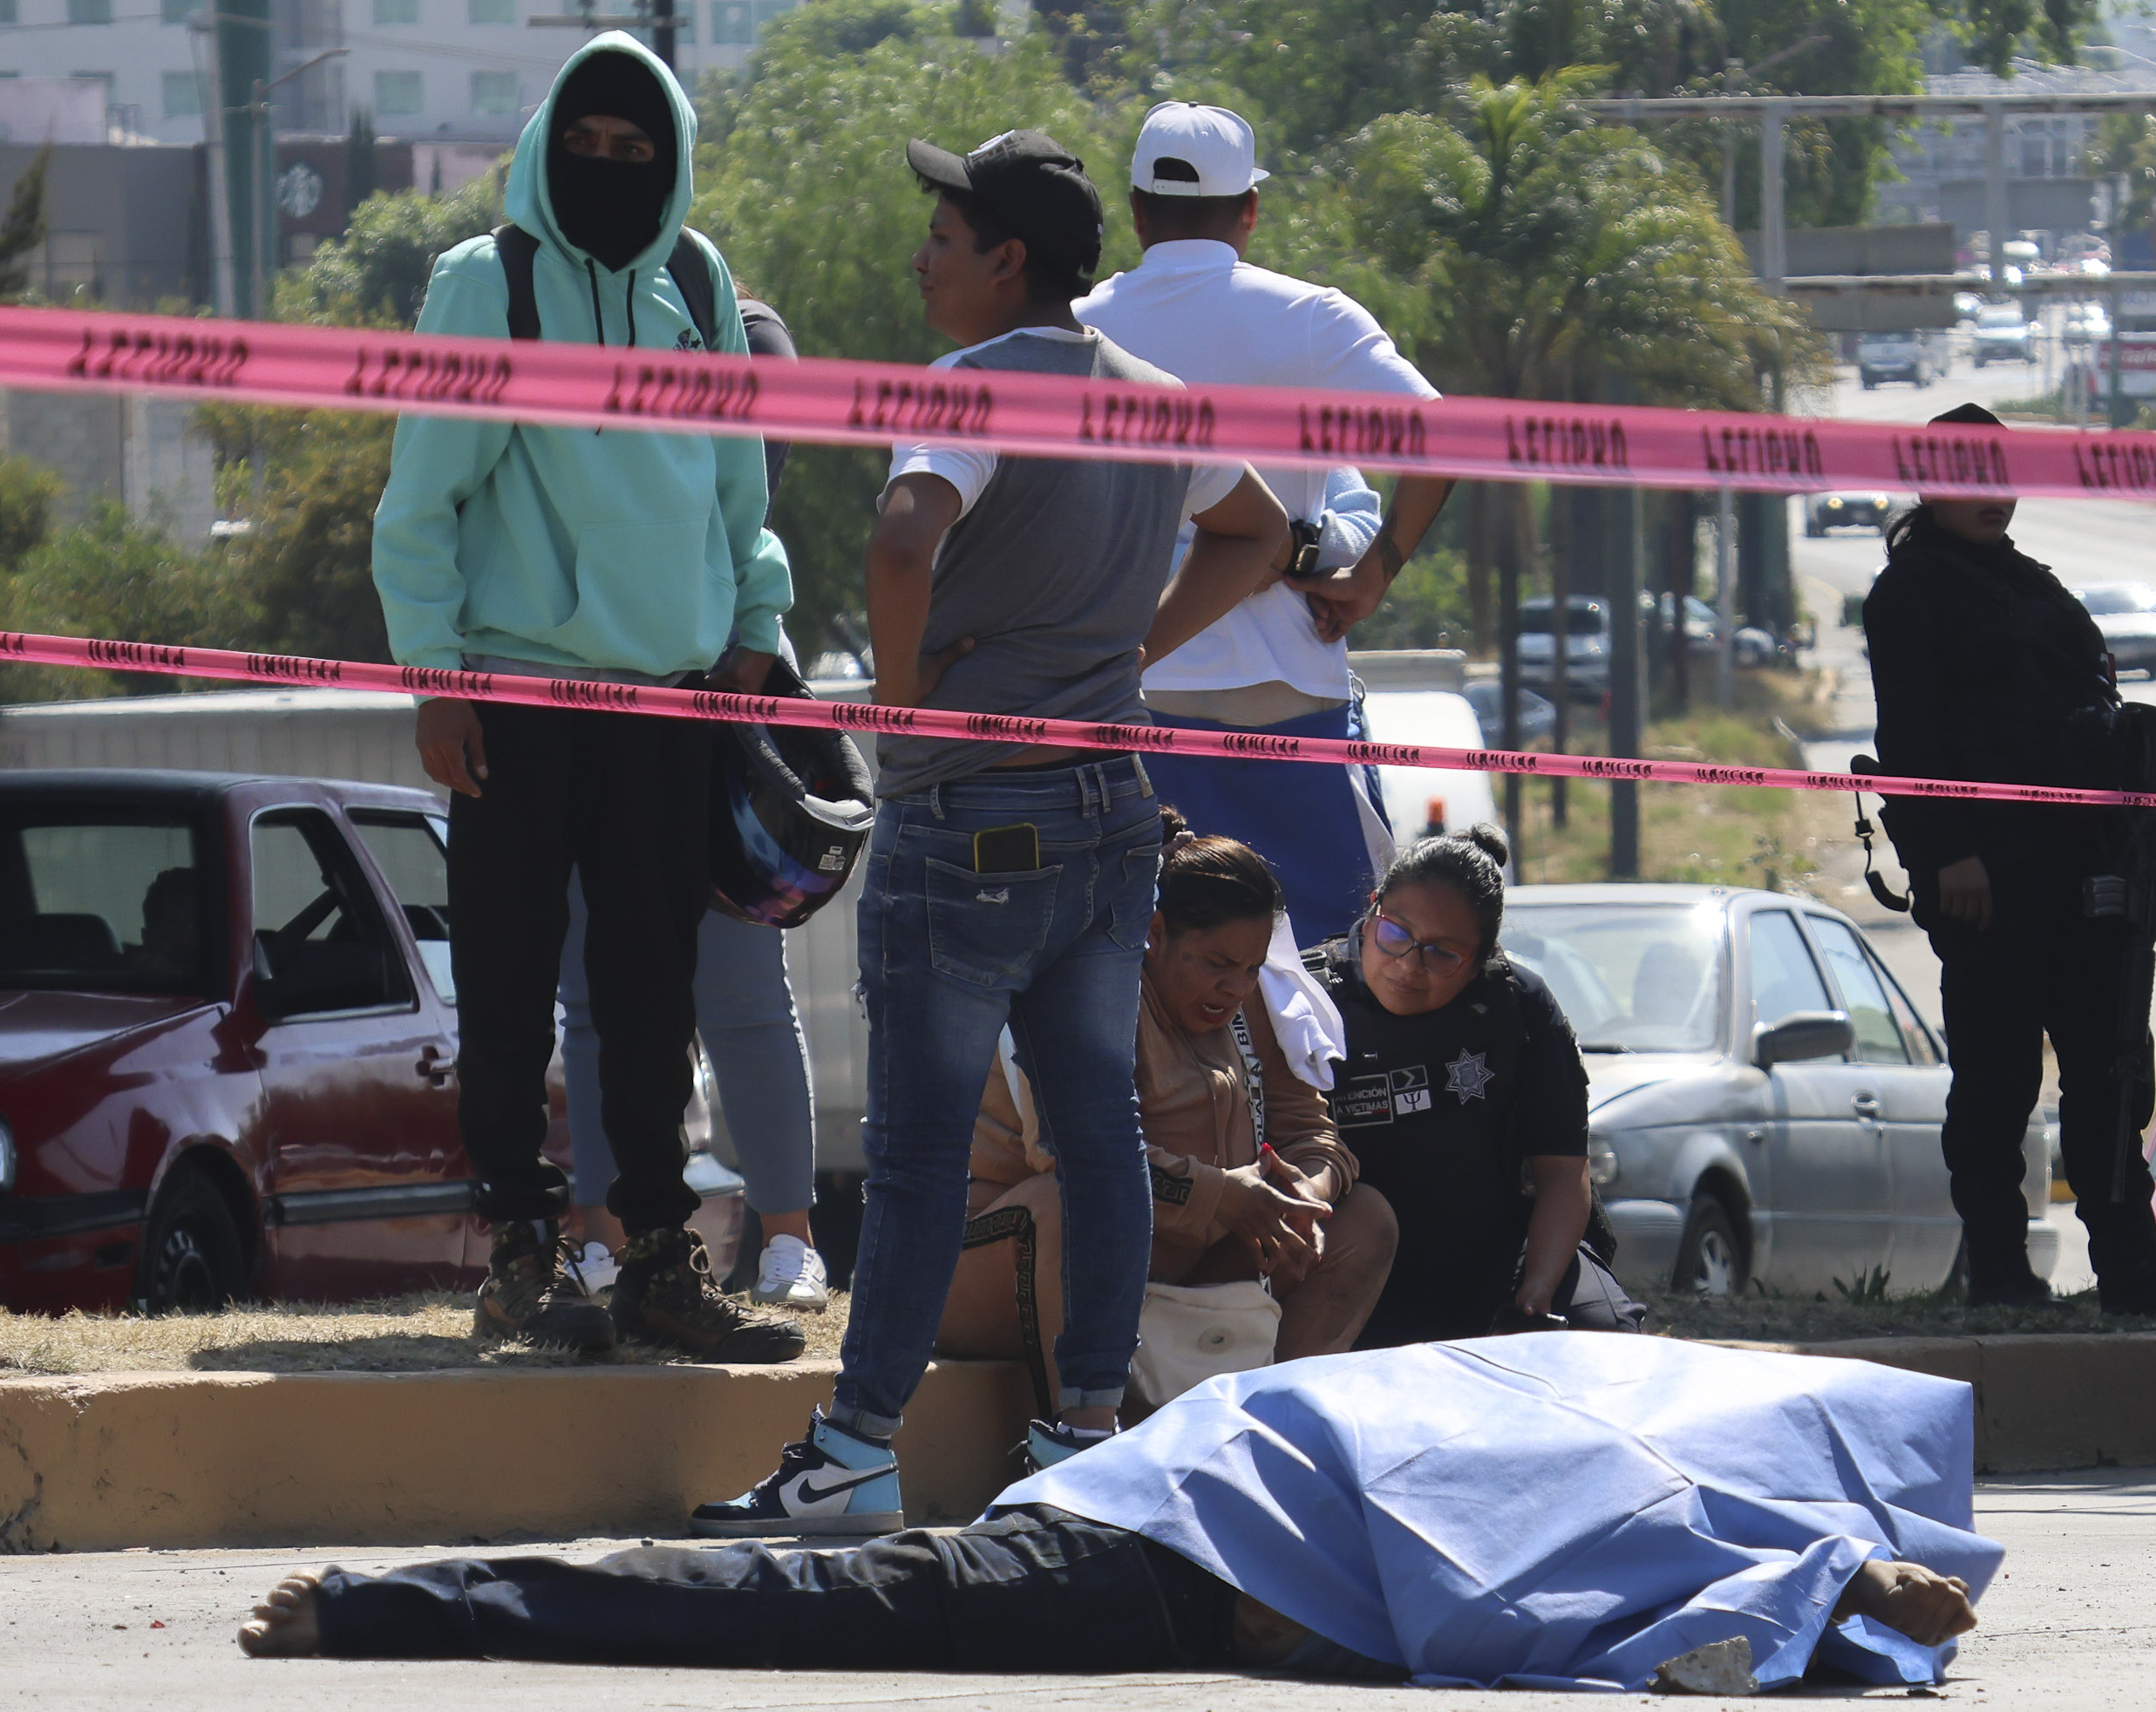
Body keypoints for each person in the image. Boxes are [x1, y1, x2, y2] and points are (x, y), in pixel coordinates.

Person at [686, 129, 1293, 1537]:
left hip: (969, 819)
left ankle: (852, 1453)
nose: (922, 257)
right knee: (1100, 1133)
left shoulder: (964, 390)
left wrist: (907, 710)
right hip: (1109, 811)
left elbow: (904, 539)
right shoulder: (1154, 397)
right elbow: (1260, 535)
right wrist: (1129, 652)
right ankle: (1086, 1436)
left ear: (1007, 259)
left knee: (915, 1149)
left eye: (943, 237)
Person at [239, 1333, 1991, 1693]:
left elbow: (1523, 1602)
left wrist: (1844, 1596)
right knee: (780, 1603)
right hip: (1135, 1530)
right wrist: (1850, 1586)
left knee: (783, 1602)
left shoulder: (1670, 1456)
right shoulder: (1647, 1441)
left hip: (1160, 1530)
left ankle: (406, 1597)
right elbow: (1536, 1588)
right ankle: (408, 1599)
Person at [369, 32, 802, 1361]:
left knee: (649, 993)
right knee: (503, 987)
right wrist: (436, 684)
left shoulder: (695, 273)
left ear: (669, 162)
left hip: (669, 703)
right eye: (587, 146)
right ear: (547, 147)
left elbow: (738, 477)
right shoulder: (483, 284)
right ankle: (519, 1252)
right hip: (513, 698)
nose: (610, 169)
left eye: (637, 151)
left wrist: (756, 620)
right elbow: (419, 504)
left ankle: (662, 1264)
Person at [1862, 403, 2156, 1322]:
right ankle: (1999, 1270)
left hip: (2085, 865)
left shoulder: (2027, 580)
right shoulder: (1914, 588)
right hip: (1988, 874)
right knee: (1998, 1081)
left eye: (2002, 471)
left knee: (2111, 1067)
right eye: (1969, 475)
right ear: (1929, 481)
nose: (1992, 493)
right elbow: (1909, 735)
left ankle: (2132, 1270)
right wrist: (1949, 849)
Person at [1076, 102, 1454, 947]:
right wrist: (1374, 575)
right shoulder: (1311, 319)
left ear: (1137, 212)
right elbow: (1442, 434)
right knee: (1325, 977)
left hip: (1139, 696)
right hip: (1294, 701)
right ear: (1249, 210)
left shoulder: (1080, 327)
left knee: (1156, 980)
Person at [936, 811, 1397, 1430]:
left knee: (1363, 1220)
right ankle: (1087, 1445)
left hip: (1181, 1255)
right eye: (1215, 964)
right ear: (1154, 933)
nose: (1235, 986)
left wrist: (1299, 1200)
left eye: (1251, 967)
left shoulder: (1254, 995)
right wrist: (1223, 1196)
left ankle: (1260, 1437)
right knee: (1071, 1204)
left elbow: (1311, 1130)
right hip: (1006, 1270)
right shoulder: (1078, 990)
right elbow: (1074, 1159)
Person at [557, 295, 831, 1312]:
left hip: (721, 693)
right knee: (594, 1000)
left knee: (743, 992)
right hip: (591, 690)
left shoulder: (746, 324)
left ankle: (789, 1241)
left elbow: (755, 491)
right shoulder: (573, 330)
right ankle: (602, 1240)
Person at [1302, 825, 1640, 1346]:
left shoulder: (1518, 1008)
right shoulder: (1304, 1001)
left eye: (1441, 954)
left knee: (1602, 1336)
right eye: (1395, 934)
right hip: (1350, 1260)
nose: (1408, 966)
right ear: (1372, 910)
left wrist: (1535, 1294)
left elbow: (1564, 1173)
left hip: (1498, 1255)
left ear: (1481, 959)